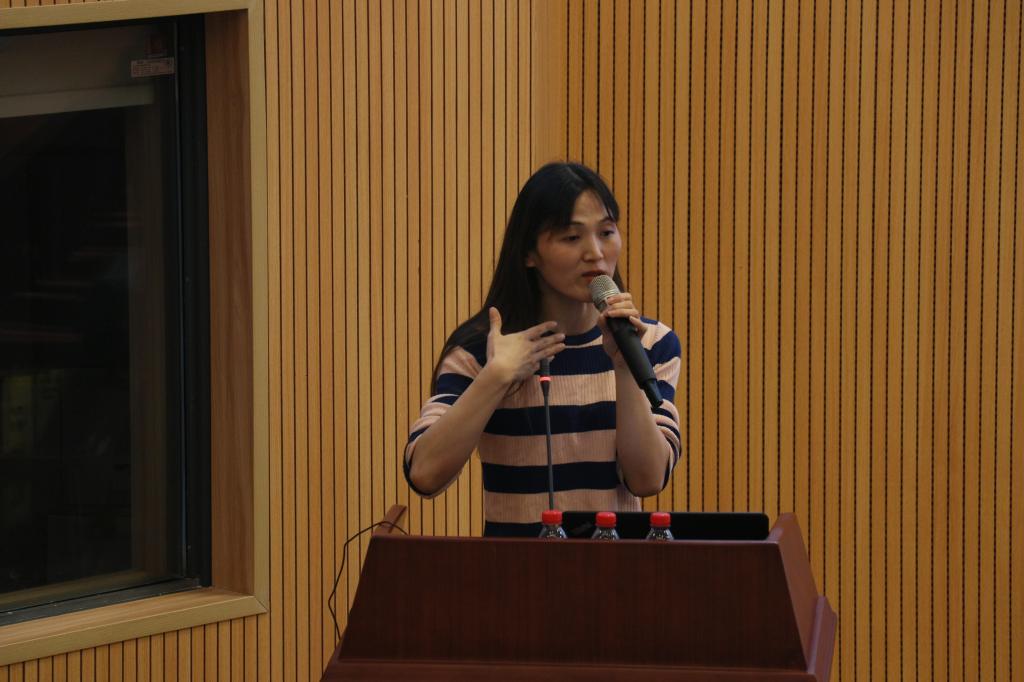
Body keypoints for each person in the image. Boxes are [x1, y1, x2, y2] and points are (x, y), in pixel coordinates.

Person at [404, 162, 682, 537]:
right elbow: (424, 474)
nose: (595, 252)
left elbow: (647, 479)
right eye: (571, 237)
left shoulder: (650, 342)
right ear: (529, 253)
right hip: (513, 569)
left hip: (616, 569)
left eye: (606, 232)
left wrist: (623, 367)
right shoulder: (482, 350)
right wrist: (496, 377)